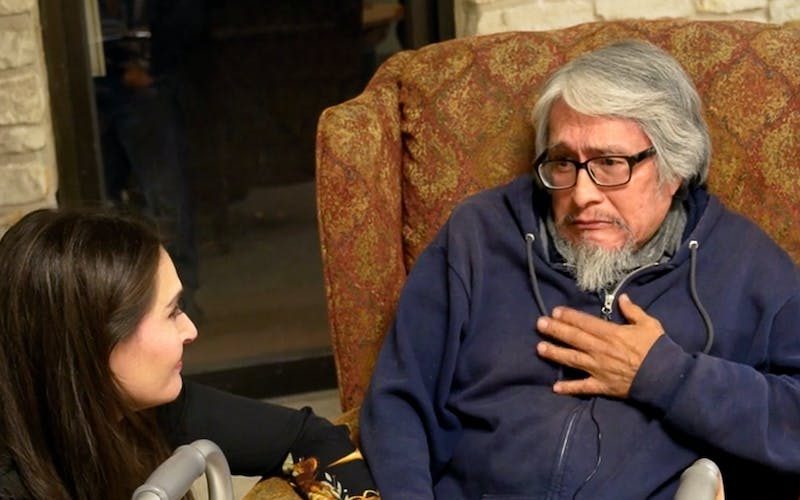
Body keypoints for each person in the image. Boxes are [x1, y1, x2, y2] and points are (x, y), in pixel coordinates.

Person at [359, 40, 800, 499]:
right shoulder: (478, 237)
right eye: (563, 162)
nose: (582, 194)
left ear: (674, 168)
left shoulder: (747, 266)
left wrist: (667, 376)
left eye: (610, 163)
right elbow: (398, 404)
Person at [0, 208, 379, 499]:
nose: (191, 331)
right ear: (97, 341)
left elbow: (308, 438)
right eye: (172, 313)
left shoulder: (146, 407)